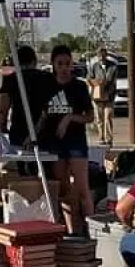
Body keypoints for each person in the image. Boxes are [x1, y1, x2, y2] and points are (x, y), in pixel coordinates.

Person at [37, 44, 95, 235]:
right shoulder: (47, 85)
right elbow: (44, 114)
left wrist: (70, 118)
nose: (64, 68)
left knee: (81, 187)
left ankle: (92, 229)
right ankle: (73, 230)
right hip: (55, 142)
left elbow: (89, 116)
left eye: (67, 64)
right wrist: (34, 135)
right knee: (63, 189)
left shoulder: (78, 86)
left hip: (75, 141)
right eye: (60, 64)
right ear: (53, 64)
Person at [0, 45, 54, 149]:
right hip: (44, 133)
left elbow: (2, 109)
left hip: (19, 132)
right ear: (34, 61)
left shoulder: (11, 79)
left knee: (18, 162)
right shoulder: (48, 78)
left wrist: (3, 127)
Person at [87, 47, 118, 147]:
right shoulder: (95, 66)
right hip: (97, 97)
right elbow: (90, 78)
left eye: (103, 55)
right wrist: (93, 84)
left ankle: (109, 139)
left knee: (108, 116)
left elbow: (112, 81)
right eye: (100, 55)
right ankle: (101, 138)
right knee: (99, 118)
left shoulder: (113, 66)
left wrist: (106, 87)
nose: (101, 57)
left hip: (109, 96)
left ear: (106, 55)